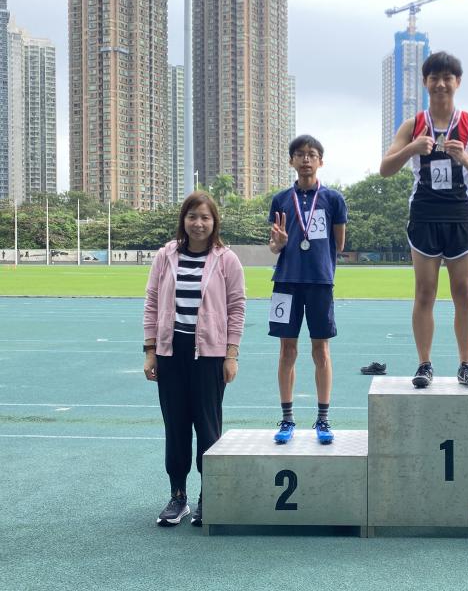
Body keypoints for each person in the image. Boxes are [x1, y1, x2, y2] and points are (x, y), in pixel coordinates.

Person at [379, 51, 468, 389]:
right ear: (425, 82)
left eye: (448, 78)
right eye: (434, 78)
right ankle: (424, 364)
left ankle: (466, 364)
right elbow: (385, 169)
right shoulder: (414, 125)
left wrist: (466, 158)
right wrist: (412, 148)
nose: (441, 83)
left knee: (463, 291)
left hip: (459, 214)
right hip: (425, 214)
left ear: (457, 82)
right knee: (425, 292)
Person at [143, 192, 245, 527]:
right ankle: (178, 497)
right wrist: (150, 350)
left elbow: (236, 309)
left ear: (214, 222)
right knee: (176, 427)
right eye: (192, 217)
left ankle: (208, 496)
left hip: (210, 355)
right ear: (183, 220)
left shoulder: (226, 259)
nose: (198, 223)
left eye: (204, 217)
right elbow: (152, 303)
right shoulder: (165, 256)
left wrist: (231, 355)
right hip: (172, 352)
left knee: (207, 427)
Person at [268, 135, 347, 445]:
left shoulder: (334, 199)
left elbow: (339, 244)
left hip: (319, 282)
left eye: (311, 154)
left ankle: (323, 419)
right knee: (287, 349)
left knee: (320, 350)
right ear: (291, 161)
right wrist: (280, 243)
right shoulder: (280, 199)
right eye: (299, 154)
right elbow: (273, 245)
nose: (305, 159)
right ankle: (287, 418)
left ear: (320, 161)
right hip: (286, 281)